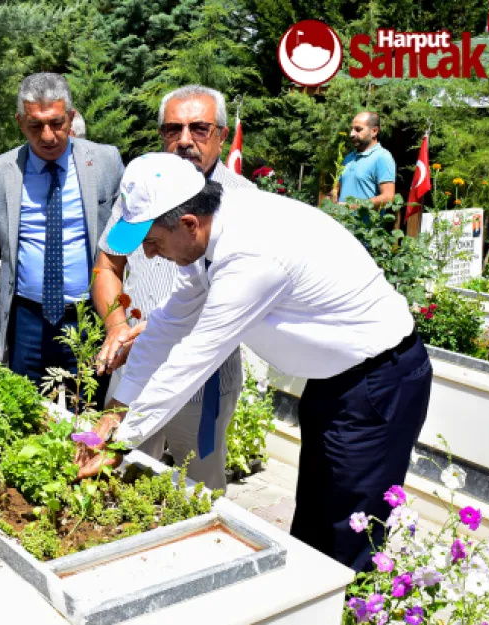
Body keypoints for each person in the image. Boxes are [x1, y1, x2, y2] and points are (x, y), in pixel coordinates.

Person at [79, 153, 432, 572]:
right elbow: (167, 328)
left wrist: (120, 442)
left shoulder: (252, 255)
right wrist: (118, 410)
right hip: (334, 382)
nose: (150, 256)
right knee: (314, 521)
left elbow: (194, 358)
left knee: (348, 533)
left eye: (152, 243)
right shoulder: (207, 236)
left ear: (189, 224)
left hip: (378, 383)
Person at [93, 85, 253, 490]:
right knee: (121, 483)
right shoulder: (142, 187)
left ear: (220, 133)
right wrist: (117, 326)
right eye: (172, 129)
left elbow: (203, 317)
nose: (184, 141)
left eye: (199, 128)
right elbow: (107, 266)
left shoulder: (241, 202)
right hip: (136, 361)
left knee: (197, 489)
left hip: (203, 380)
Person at [0, 72, 124, 386]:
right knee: (27, 411)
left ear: (71, 118)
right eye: (36, 126)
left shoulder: (105, 162)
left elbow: (126, 241)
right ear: (21, 123)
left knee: (89, 411)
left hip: (90, 314)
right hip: (26, 320)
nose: (48, 136)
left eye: (57, 123)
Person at [332, 111, 396, 208]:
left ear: (374, 131)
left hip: (365, 223)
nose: (351, 134)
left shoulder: (382, 157)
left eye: (358, 129)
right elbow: (337, 189)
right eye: (352, 129)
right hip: (340, 222)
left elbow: (388, 197)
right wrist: (330, 199)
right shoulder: (349, 158)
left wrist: (352, 207)